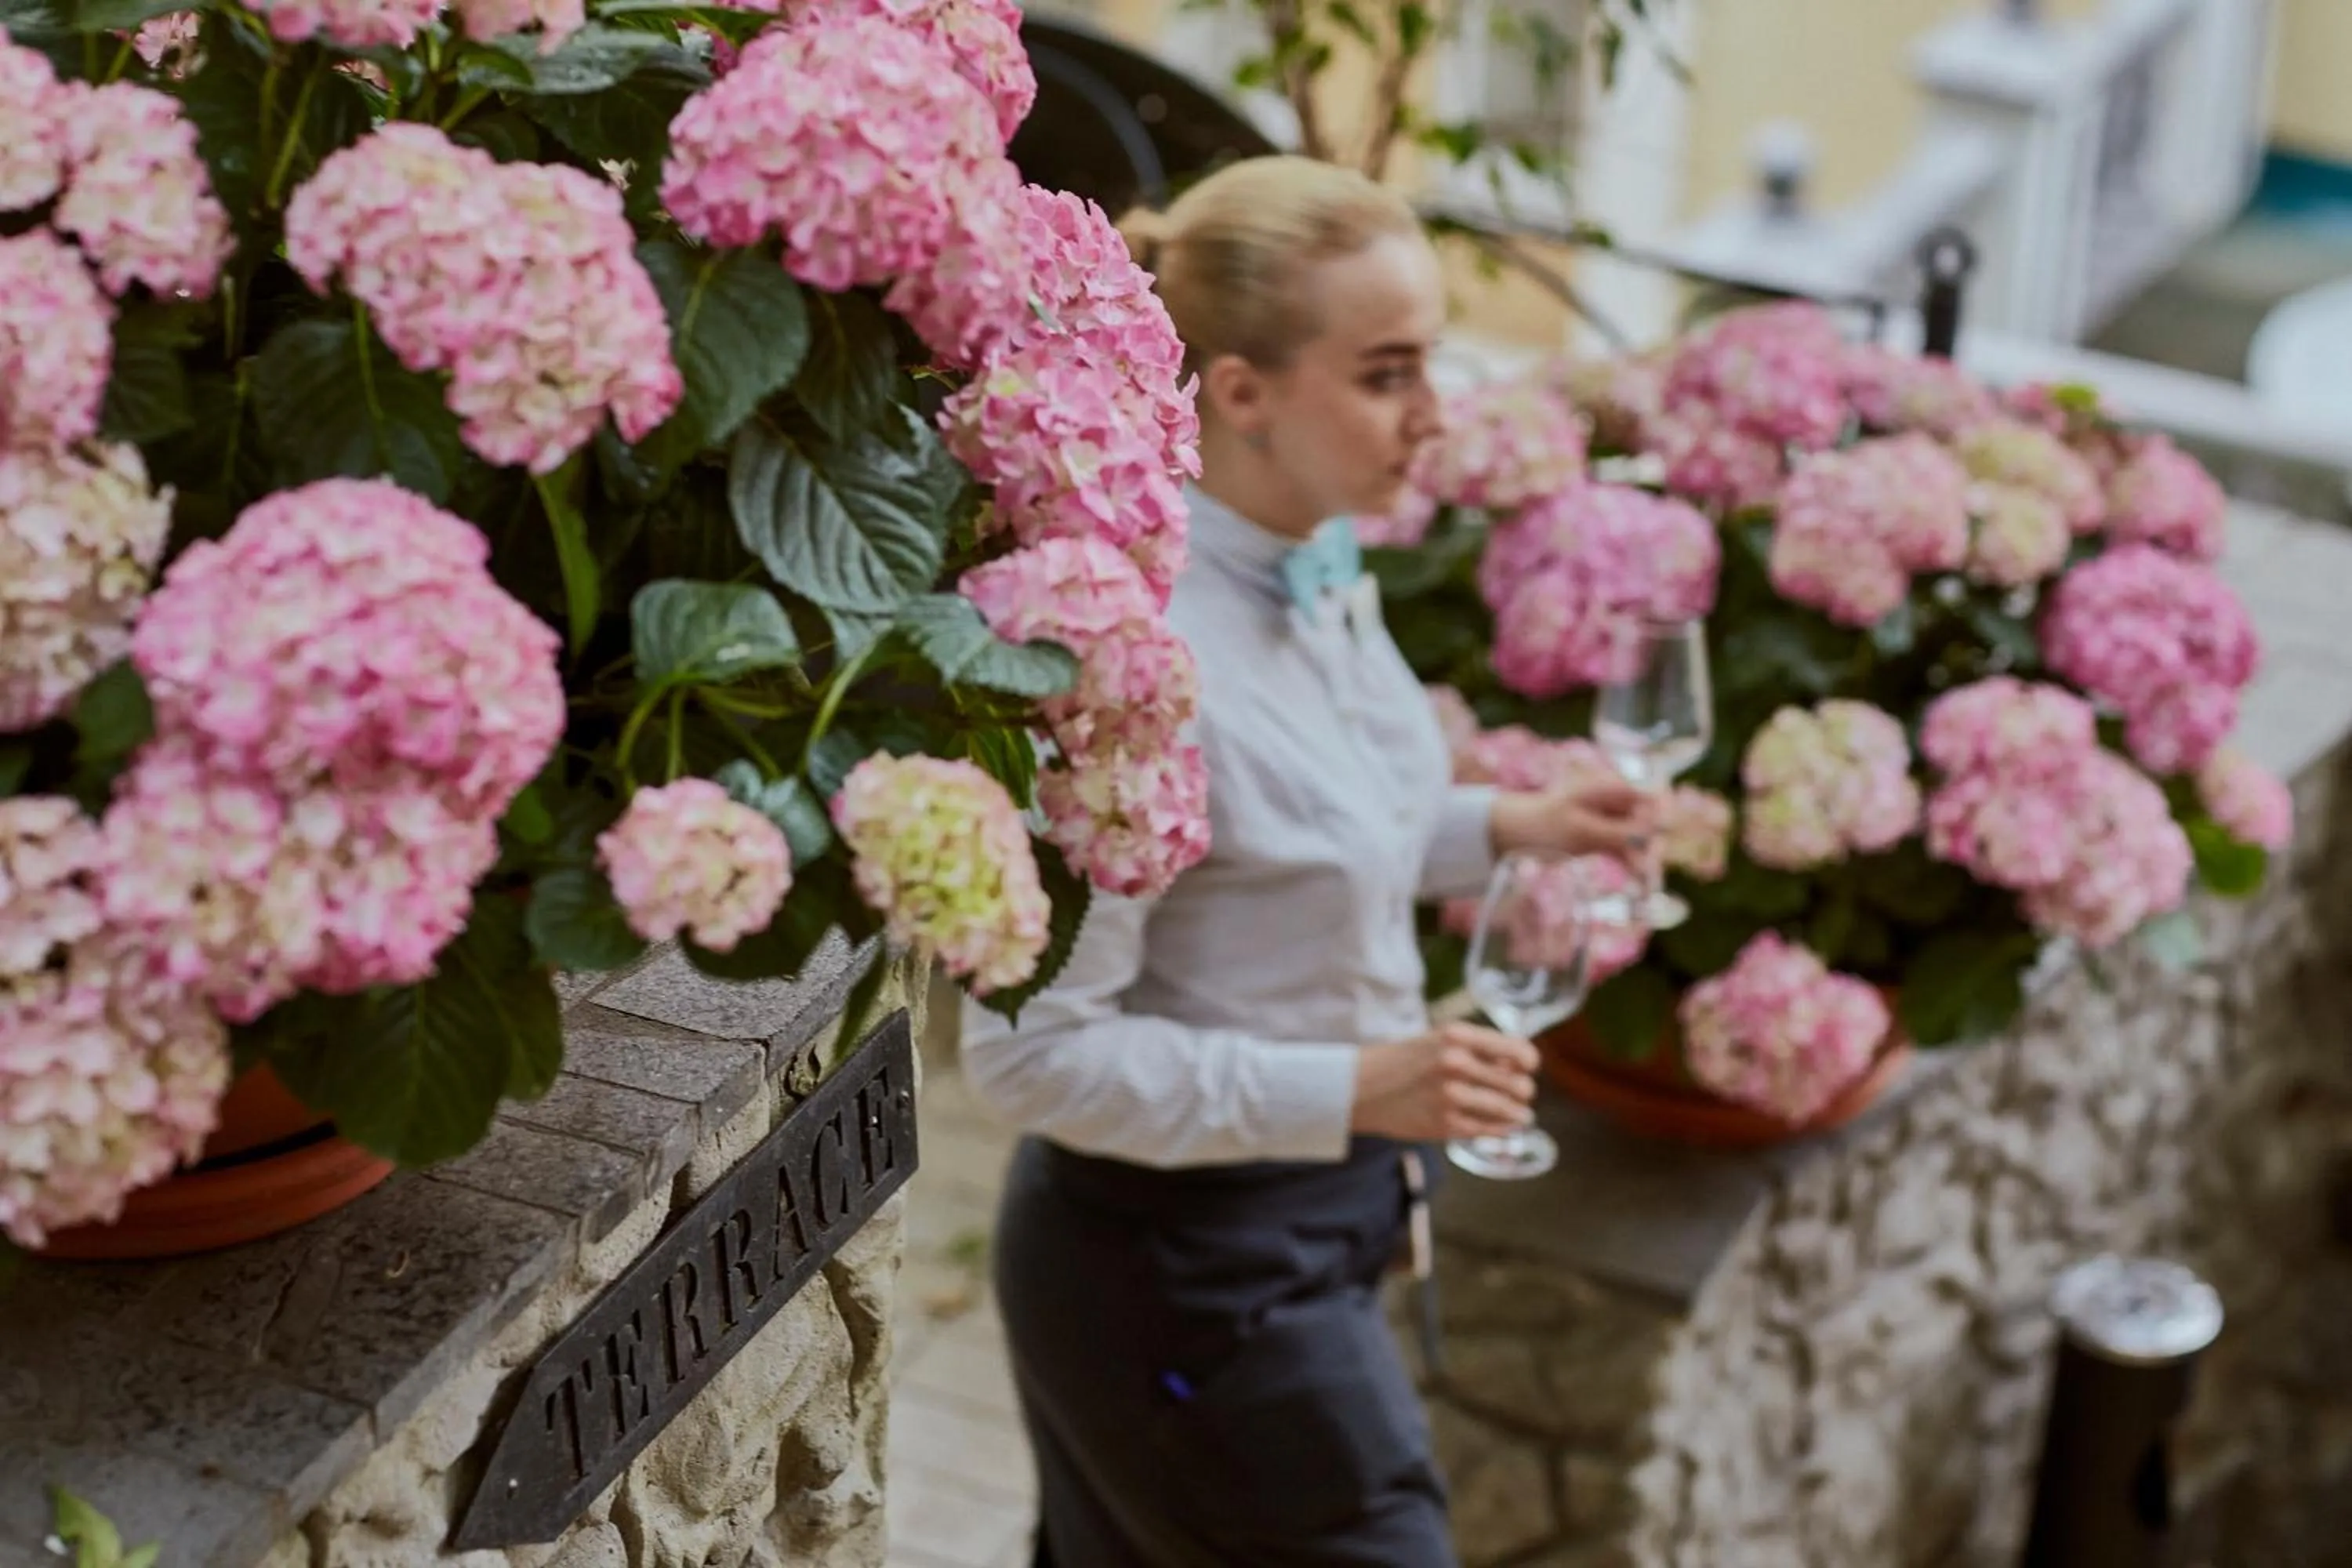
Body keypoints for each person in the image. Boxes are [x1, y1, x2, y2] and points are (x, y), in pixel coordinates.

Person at [960, 155, 1653, 1568]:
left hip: (1328, 1222)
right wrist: (1361, 1086)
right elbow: (1027, 1062)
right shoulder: (1132, 664)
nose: (1434, 414)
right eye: (1389, 372)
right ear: (1241, 393)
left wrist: (1508, 828)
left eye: (1432, 365)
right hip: (1179, 1269)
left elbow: (1306, 833)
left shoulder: (1315, 552)